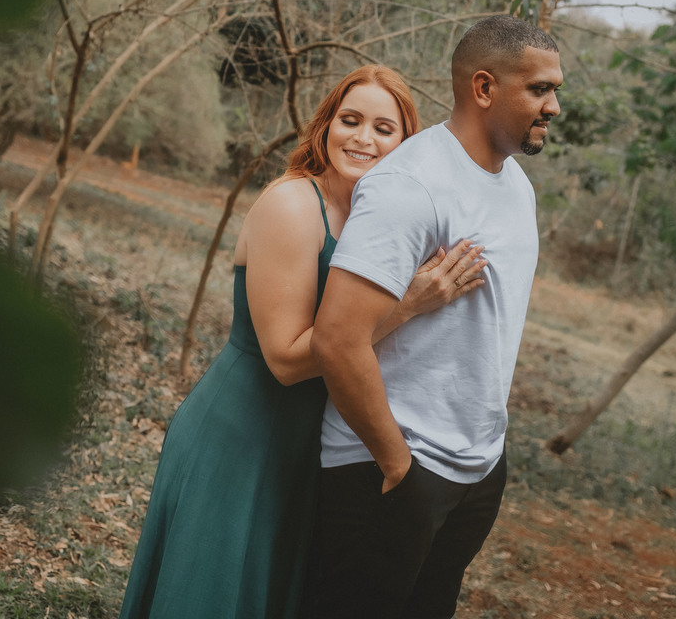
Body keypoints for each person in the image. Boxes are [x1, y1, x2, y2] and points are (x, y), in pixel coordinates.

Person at [119, 65, 490, 619]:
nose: (363, 138)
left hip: (311, 442)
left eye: (384, 128)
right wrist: (410, 304)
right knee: (214, 594)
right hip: (245, 431)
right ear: (326, 125)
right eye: (350, 120)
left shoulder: (376, 218)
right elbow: (286, 361)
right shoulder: (293, 205)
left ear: (406, 144)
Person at [301, 16, 563, 619]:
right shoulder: (409, 184)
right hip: (386, 469)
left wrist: (486, 460)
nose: (553, 106)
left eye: (554, 91)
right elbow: (337, 340)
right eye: (539, 89)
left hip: (475, 469)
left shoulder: (517, 186)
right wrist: (398, 465)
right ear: (483, 87)